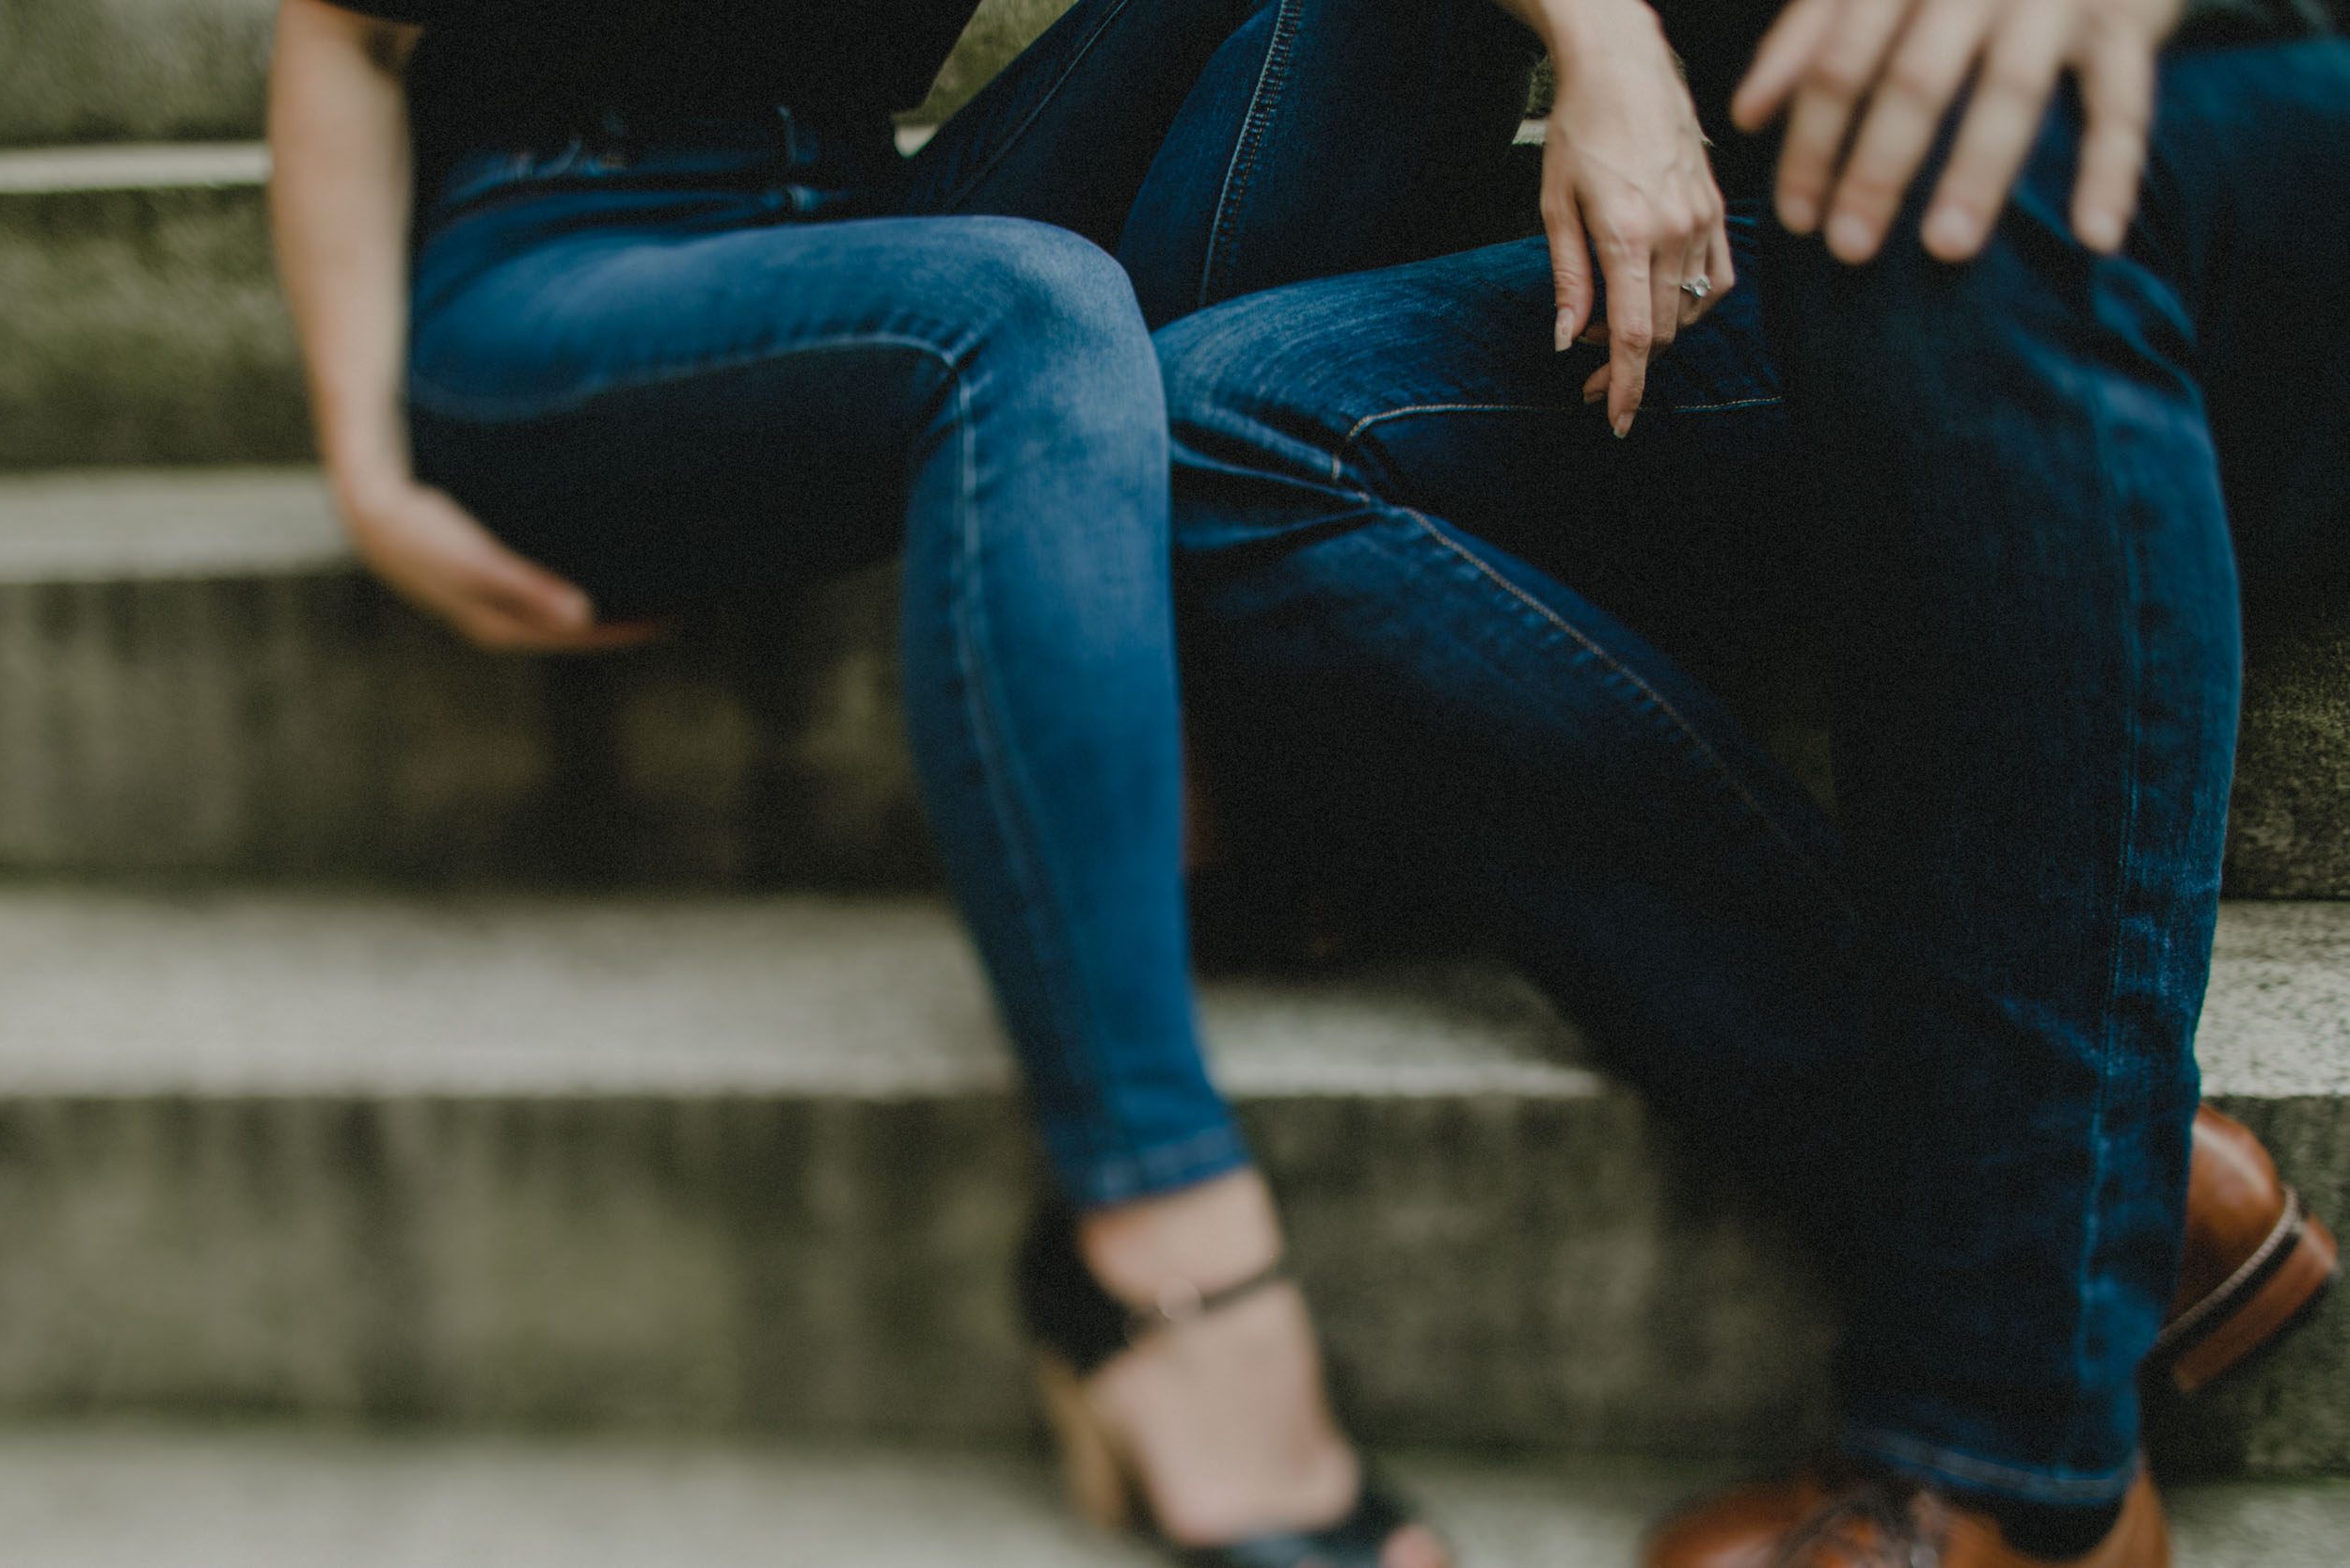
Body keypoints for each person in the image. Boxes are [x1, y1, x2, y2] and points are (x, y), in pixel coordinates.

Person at [265, 0, 1574, 1563]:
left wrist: (1609, 50)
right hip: (557, 284)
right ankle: (1153, 1250)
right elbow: (337, 37)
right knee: (1025, 308)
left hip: (856, 235)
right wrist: (366, 471)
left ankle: (1197, 718)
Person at [1156, 0, 2346, 1562]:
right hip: (1833, 250)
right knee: (1215, 437)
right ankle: (2104, 1206)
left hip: (2205, 175)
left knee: (1971, 142)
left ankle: (2010, 1456)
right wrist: (1600, 39)